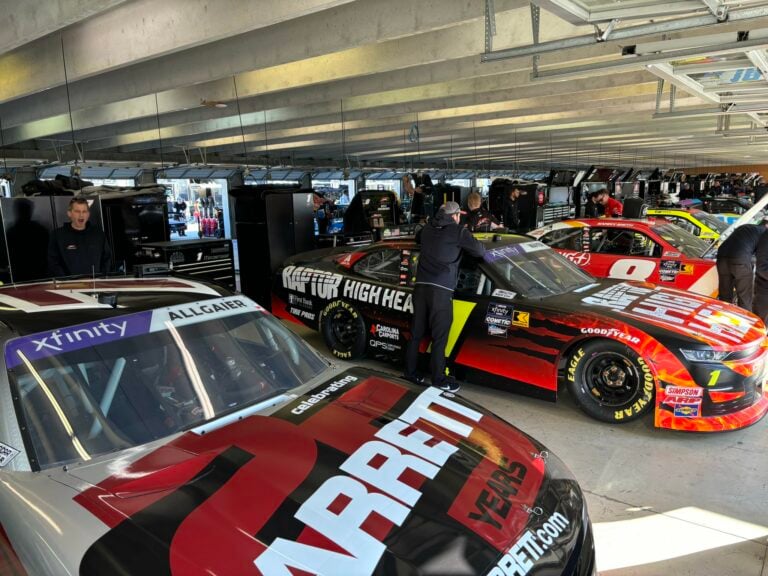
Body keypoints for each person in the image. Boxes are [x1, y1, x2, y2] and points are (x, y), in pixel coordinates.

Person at [404, 201, 485, 392]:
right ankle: (439, 379)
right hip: (441, 292)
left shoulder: (426, 230)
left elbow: (417, 239)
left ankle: (410, 373)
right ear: (455, 215)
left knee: (416, 334)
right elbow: (480, 250)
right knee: (439, 338)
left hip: (421, 288)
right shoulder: (458, 232)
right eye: (459, 215)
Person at [48, 197, 112, 277]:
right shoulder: (57, 235)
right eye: (77, 211)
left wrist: (100, 279)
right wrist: (67, 281)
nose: (81, 215)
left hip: (95, 285)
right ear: (69, 213)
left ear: (88, 214)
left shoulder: (98, 234)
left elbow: (107, 259)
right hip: (69, 287)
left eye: (84, 211)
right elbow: (53, 262)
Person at [718, 219, 768, 312]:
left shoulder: (746, 227)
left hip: (721, 257)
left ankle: (723, 321)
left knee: (725, 296)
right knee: (744, 297)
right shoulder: (764, 233)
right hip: (740, 259)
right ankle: (745, 324)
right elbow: (761, 256)